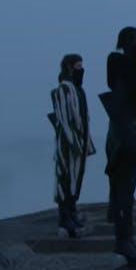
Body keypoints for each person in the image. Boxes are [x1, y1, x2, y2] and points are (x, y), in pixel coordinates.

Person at [100, 26, 136, 267]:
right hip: (122, 139)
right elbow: (123, 104)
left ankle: (128, 239)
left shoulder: (133, 67)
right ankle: (123, 242)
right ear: (129, 43)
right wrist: (132, 143)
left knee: (128, 194)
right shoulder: (120, 65)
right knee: (122, 192)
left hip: (133, 134)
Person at [49, 54, 96, 238]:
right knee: (65, 178)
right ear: (69, 67)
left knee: (76, 178)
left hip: (79, 143)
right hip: (67, 145)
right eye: (78, 66)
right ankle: (64, 217)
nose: (81, 69)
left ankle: (72, 212)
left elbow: (83, 119)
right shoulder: (63, 89)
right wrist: (74, 143)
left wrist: (86, 143)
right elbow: (63, 120)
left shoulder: (78, 90)